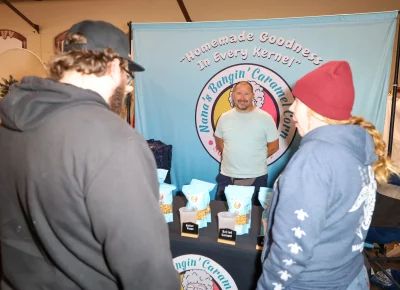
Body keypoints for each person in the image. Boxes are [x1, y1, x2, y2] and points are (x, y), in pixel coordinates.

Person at [0, 20, 180, 290]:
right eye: (126, 76)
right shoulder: (115, 141)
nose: (127, 87)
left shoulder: (9, 127)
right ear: (113, 66)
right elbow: (148, 271)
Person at [257, 61, 399, 290]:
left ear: (315, 108)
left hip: (311, 284)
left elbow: (289, 253)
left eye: (298, 101)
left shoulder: (313, 161)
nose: (291, 108)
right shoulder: (359, 150)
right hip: (351, 276)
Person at [214, 81, 279, 205]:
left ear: (253, 96)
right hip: (226, 177)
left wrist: (253, 158)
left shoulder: (265, 118)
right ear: (233, 95)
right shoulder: (224, 117)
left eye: (246, 94)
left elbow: (274, 146)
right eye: (239, 94)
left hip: (257, 178)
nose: (242, 98)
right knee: (223, 217)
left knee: (254, 218)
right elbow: (219, 141)